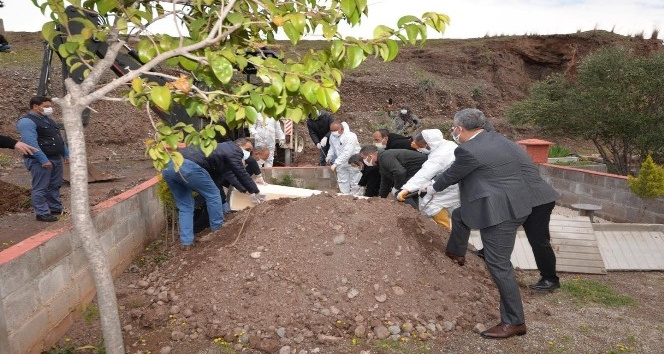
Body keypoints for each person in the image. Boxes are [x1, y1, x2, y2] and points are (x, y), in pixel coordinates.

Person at [428, 108, 533, 340]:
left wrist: (430, 187)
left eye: (454, 128)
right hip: (511, 200)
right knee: (459, 215)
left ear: (460, 129)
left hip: (500, 211)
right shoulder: (498, 139)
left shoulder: (468, 150)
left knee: (498, 265)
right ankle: (456, 252)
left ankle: (514, 322)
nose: (453, 132)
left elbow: (451, 175)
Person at [164, 138, 261, 247]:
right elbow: (241, 172)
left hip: (169, 166)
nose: (248, 153)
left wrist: (244, 190)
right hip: (188, 166)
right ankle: (218, 230)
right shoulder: (233, 150)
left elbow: (231, 175)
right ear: (239, 146)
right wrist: (255, 190)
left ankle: (186, 242)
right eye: (248, 149)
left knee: (185, 206)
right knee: (214, 195)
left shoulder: (220, 151)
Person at [17, 96, 69, 222]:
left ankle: (55, 208)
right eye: (46, 106)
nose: (49, 109)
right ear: (35, 106)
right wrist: (43, 160)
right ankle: (42, 213)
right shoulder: (26, 122)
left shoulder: (48, 120)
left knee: (55, 185)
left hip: (55, 158)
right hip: (40, 161)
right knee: (41, 188)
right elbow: (31, 143)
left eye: (50, 106)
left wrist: (66, 154)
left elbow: (59, 139)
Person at [397, 129, 460, 229]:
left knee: (430, 204)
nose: (419, 149)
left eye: (420, 146)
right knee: (454, 208)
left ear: (427, 144)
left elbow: (425, 173)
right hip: (456, 181)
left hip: (454, 185)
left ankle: (445, 230)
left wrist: (407, 189)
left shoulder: (440, 155)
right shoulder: (446, 144)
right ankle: (458, 231)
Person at [359, 145, 427, 207]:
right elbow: (385, 181)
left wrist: (396, 188)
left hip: (423, 170)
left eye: (364, 158)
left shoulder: (385, 156)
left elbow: (400, 172)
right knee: (401, 192)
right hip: (414, 173)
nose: (364, 161)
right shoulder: (381, 161)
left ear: (370, 156)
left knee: (400, 193)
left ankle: (415, 214)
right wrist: (381, 198)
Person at [328, 121, 361, 194]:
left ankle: (356, 198)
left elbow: (347, 152)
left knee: (355, 181)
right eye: (332, 131)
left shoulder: (350, 136)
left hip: (353, 161)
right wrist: (329, 155)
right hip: (341, 162)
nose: (333, 132)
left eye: (335, 130)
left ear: (342, 129)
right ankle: (344, 196)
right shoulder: (332, 136)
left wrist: (336, 163)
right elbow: (332, 147)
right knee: (342, 180)